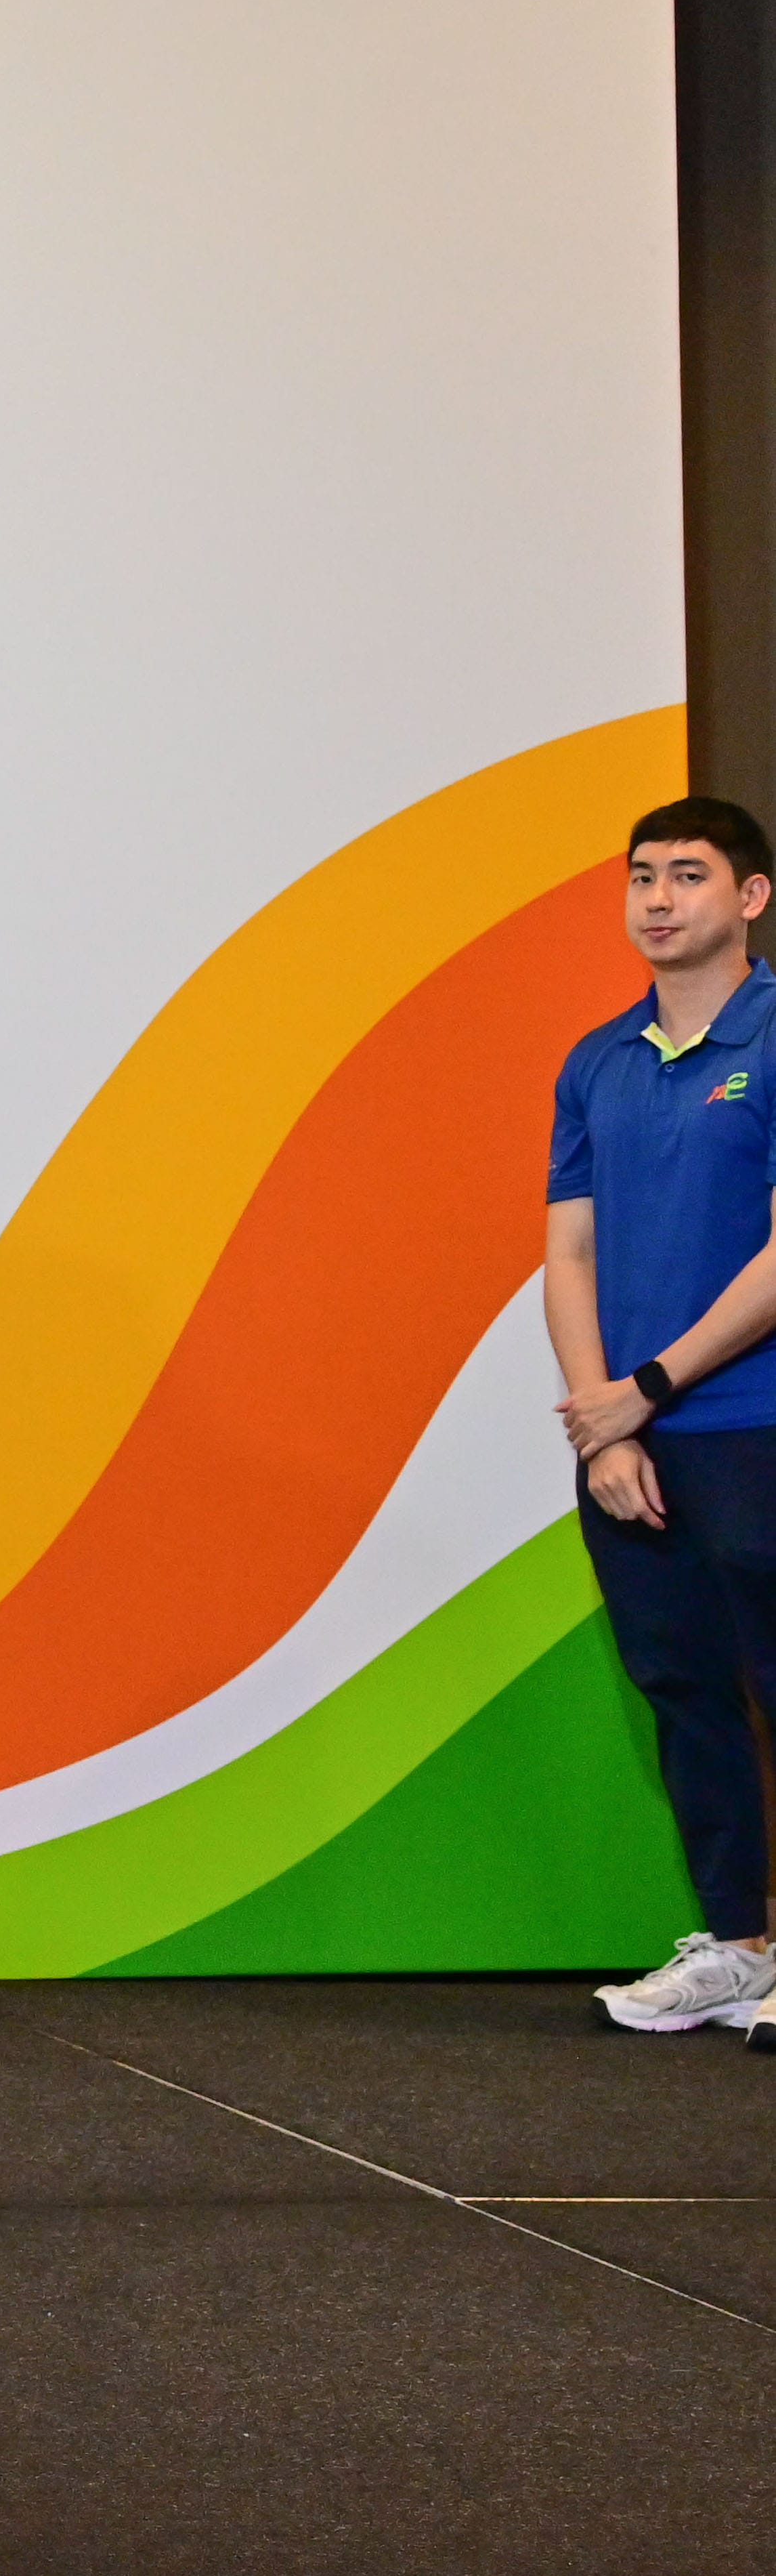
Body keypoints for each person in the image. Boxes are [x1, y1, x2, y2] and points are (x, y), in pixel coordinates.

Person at [546, 797, 776, 2035]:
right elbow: (568, 1254)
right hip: (634, 1440)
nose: (659, 898)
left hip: (756, 1421)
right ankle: (739, 1946)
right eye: (642, 876)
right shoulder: (599, 1060)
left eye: (690, 875)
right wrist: (609, 1423)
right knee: (684, 1686)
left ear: (750, 897)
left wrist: (655, 1384)